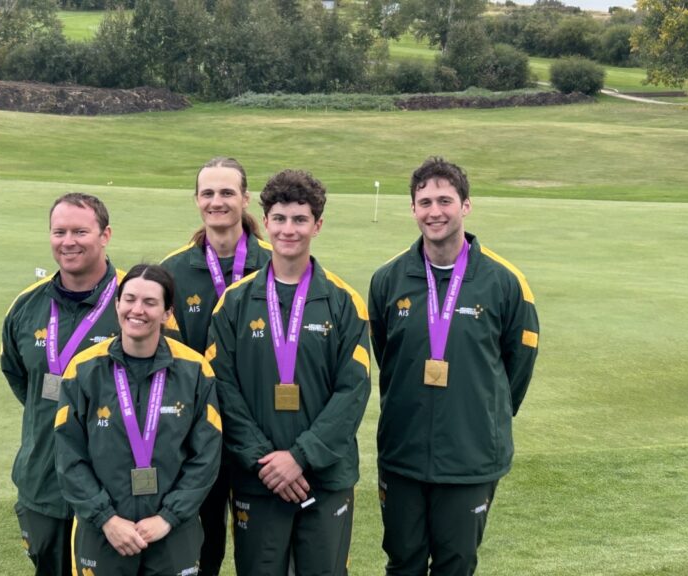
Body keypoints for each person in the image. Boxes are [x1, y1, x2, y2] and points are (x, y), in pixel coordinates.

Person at [368, 157, 540, 576]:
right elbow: (385, 353)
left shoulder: (504, 281)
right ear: (413, 209)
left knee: (456, 564)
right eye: (425, 202)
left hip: (470, 455)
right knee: (403, 563)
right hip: (403, 451)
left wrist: (482, 413)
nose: (435, 211)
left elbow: (517, 366)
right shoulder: (388, 279)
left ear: (466, 205)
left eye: (445, 200)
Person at [207, 169, 371, 576]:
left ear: (318, 225)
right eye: (279, 218)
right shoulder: (234, 303)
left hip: (325, 478)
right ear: (265, 222)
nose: (288, 229)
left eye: (300, 219)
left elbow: (353, 391)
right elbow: (222, 388)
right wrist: (265, 461)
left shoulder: (345, 302)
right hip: (257, 479)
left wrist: (301, 457)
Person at [54, 264, 222, 575]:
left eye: (150, 302)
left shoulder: (196, 370)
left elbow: (206, 456)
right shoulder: (83, 369)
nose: (137, 310)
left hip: (173, 533)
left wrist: (168, 517)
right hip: (104, 533)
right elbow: (69, 455)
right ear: (117, 304)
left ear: (167, 313)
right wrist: (106, 518)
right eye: (129, 299)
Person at [1, 192, 124, 576]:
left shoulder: (134, 301)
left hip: (115, 490)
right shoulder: (26, 305)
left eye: (80, 231)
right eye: (59, 232)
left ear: (105, 235)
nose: (68, 241)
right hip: (45, 481)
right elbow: (20, 377)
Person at [160, 157, 272, 576]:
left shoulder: (276, 263)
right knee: (201, 555)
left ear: (245, 199)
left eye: (227, 192)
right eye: (207, 193)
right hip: (194, 440)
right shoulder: (172, 271)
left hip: (261, 438)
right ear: (196, 200)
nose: (216, 201)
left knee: (262, 556)